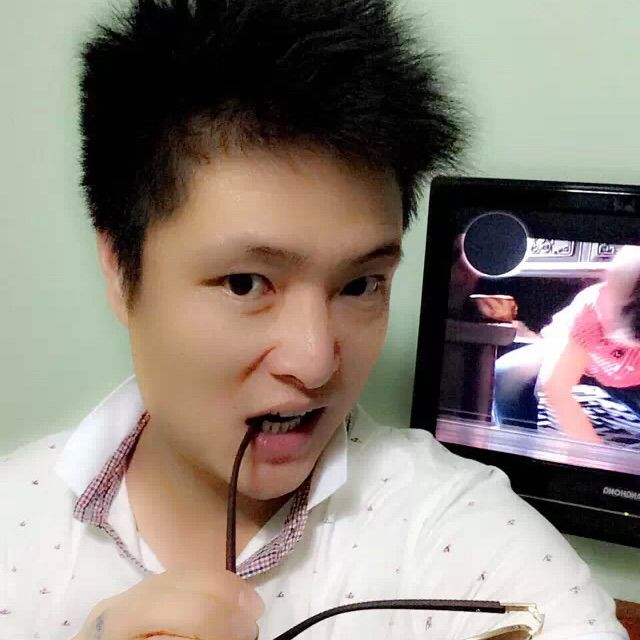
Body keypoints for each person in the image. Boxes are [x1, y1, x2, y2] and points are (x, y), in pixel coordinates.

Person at [0, 1, 629, 639]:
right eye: (245, 283)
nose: (315, 361)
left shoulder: (462, 539)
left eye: (360, 285)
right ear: (119, 268)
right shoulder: (14, 527)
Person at [494, 245, 640, 445]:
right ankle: (518, 446)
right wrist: (592, 451)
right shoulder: (590, 310)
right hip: (583, 361)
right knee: (508, 373)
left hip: (634, 380)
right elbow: (556, 388)